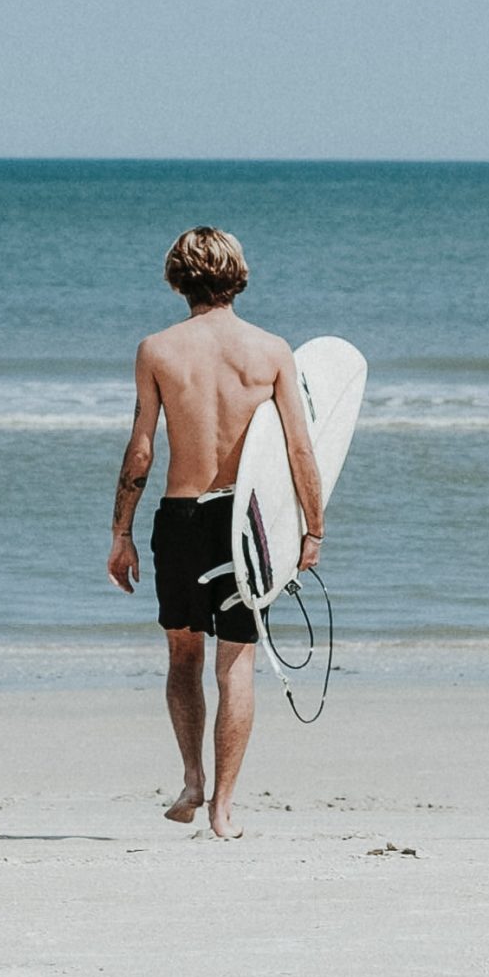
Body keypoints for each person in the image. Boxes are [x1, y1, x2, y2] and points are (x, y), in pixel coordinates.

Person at [108, 227, 325, 839]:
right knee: (238, 661)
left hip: (180, 518)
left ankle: (192, 780)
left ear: (177, 278)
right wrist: (314, 528)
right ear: (240, 273)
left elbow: (142, 450)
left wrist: (120, 532)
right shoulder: (272, 351)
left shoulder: (157, 350)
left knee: (183, 652)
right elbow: (299, 448)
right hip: (245, 524)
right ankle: (225, 810)